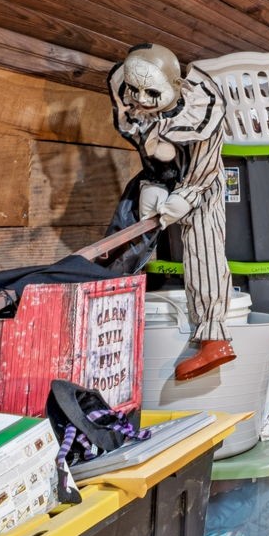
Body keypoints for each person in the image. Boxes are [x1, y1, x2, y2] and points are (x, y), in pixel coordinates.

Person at [107, 46, 235, 380]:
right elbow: (151, 146)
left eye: (151, 92)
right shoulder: (135, 104)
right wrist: (152, 182)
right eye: (135, 90)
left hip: (199, 179)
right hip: (163, 173)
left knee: (204, 248)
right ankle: (113, 315)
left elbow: (204, 168)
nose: (141, 99)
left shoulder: (202, 111)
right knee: (128, 229)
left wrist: (186, 196)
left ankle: (214, 339)